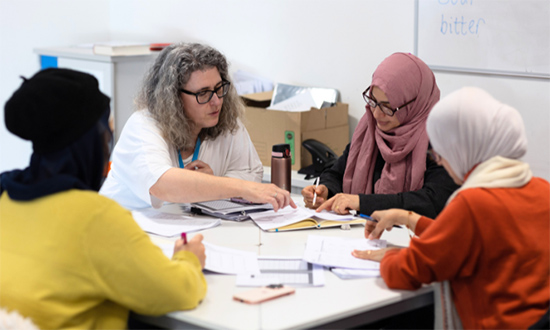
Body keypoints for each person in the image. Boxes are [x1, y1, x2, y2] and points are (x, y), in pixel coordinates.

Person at [0, 68, 207, 329]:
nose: (109, 144)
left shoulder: (6, 196)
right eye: (106, 132)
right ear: (87, 143)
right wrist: (189, 258)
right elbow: (178, 292)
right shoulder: (93, 217)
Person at [353, 87, 550, 329]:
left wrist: (391, 256)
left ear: (466, 148)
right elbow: (465, 238)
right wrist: (409, 218)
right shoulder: (542, 190)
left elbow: (408, 272)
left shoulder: (473, 204)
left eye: (441, 151)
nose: (441, 160)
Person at [100, 42, 294, 211]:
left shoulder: (224, 121)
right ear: (173, 97)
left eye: (219, 88)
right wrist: (223, 186)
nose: (217, 101)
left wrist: (213, 183)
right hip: (125, 230)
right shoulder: (143, 126)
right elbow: (162, 184)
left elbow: (251, 174)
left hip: (186, 230)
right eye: (203, 93)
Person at [303, 52, 458, 218]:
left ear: (414, 104)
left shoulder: (442, 141)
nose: (376, 114)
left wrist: (362, 202)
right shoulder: (369, 130)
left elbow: (433, 201)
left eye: (387, 107)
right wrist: (325, 189)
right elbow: (336, 172)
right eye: (373, 101)